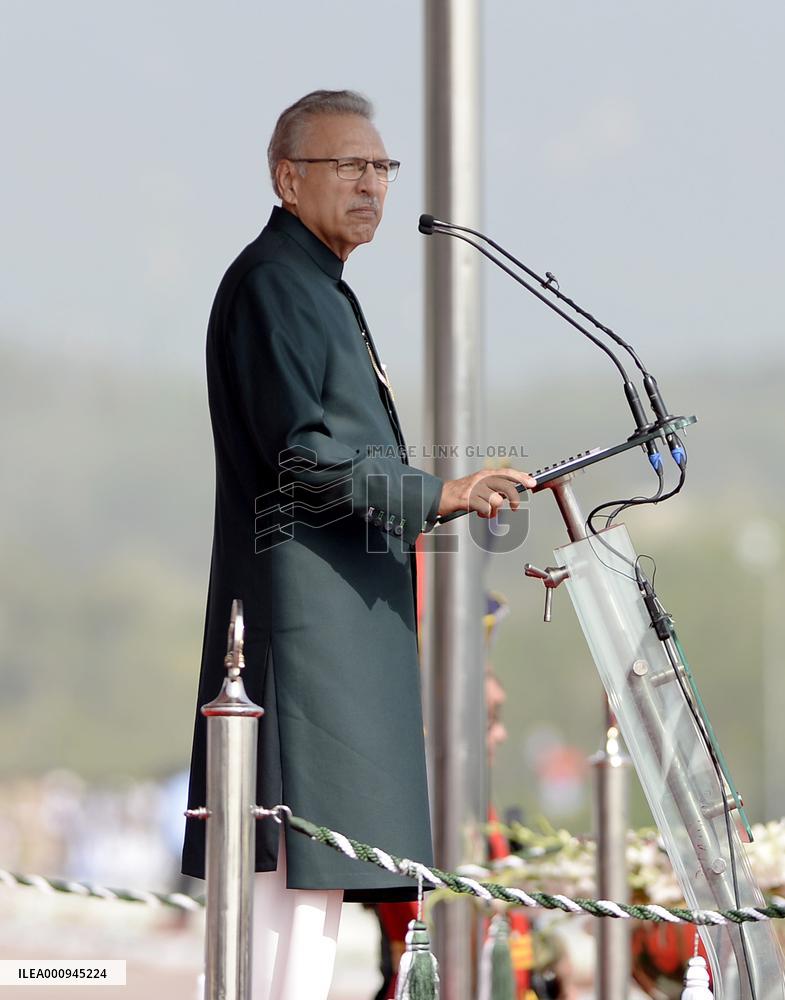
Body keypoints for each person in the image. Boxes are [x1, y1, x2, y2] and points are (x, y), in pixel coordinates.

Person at [181, 88, 535, 1000]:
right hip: (304, 643)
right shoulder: (276, 284)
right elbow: (302, 456)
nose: (371, 184)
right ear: (287, 178)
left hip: (335, 636)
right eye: (348, 165)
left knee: (305, 919)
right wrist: (439, 492)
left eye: (381, 166)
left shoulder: (314, 284)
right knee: (283, 925)